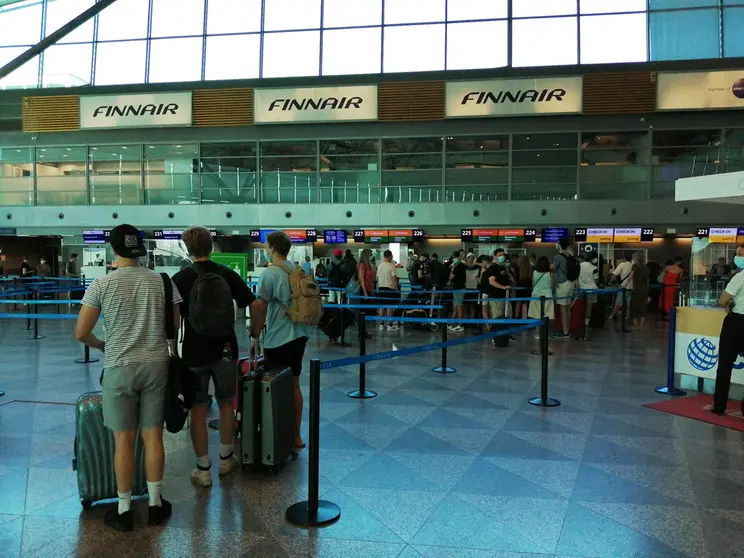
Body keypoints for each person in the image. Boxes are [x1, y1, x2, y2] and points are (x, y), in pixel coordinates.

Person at [74, 224, 180, 531]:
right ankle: (156, 504)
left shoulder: (101, 284)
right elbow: (172, 326)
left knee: (123, 440)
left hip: (119, 365)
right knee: (153, 437)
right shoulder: (163, 282)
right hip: (156, 364)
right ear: (141, 249)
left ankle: (123, 509)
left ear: (113, 249)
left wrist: (102, 344)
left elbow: (81, 332)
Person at [172, 227, 256, 488]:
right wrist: (254, 336)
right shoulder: (227, 274)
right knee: (226, 403)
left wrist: (172, 349)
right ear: (212, 247)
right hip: (226, 349)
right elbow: (255, 303)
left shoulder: (180, 279)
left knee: (197, 409)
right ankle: (226, 458)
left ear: (187, 248)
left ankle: (203, 469)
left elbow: (173, 320)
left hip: (194, 352)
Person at [250, 231, 310, 449]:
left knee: (273, 386)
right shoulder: (298, 269)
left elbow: (260, 306)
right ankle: (296, 436)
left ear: (273, 248)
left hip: (277, 338)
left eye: (267, 246)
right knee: (294, 384)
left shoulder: (270, 273)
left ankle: (275, 434)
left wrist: (254, 335)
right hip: (300, 334)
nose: (266, 249)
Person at [713, 245, 744, 415]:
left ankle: (719, 406)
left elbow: (723, 299)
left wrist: (728, 304)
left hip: (736, 323)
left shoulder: (740, 277)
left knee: (725, 366)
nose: (737, 257)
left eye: (740, 254)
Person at [480, 251, 511, 343]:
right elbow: (492, 281)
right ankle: (496, 338)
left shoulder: (502, 267)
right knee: (497, 317)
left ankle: (503, 336)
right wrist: (504, 287)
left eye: (503, 255)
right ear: (495, 256)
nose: (502, 257)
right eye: (499, 255)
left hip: (503, 296)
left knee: (504, 317)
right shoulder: (493, 268)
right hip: (496, 296)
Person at [552, 238, 578, 339]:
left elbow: (553, 268)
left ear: (559, 245)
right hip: (570, 283)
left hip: (562, 284)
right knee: (567, 307)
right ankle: (567, 329)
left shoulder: (558, 257)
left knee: (562, 307)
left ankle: (565, 332)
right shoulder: (569, 256)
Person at [528, 256, 555, 338]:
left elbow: (533, 284)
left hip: (536, 294)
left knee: (537, 315)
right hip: (547, 295)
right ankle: (545, 334)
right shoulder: (550, 273)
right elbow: (552, 284)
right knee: (546, 315)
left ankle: (537, 334)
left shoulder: (534, 272)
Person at [376, 250, 399, 331]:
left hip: (381, 287)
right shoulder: (391, 265)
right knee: (390, 307)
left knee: (382, 306)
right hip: (390, 288)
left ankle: (381, 325)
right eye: (391, 256)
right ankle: (390, 325)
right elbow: (394, 278)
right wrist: (396, 288)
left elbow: (378, 277)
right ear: (389, 256)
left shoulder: (380, 265)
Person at [609, 254, 634, 321]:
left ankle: (612, 315)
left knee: (618, 302)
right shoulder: (633, 265)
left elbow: (614, 275)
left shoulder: (622, 264)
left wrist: (610, 282)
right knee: (629, 303)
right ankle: (627, 317)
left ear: (623, 259)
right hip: (632, 287)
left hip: (624, 286)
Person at [578, 253, 599, 327]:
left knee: (582, 306)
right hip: (592, 289)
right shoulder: (594, 268)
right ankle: (586, 323)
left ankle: (580, 322)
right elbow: (596, 280)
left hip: (581, 290)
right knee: (589, 307)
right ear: (592, 258)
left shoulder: (579, 265)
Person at [629, 252, 649, 330]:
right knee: (643, 307)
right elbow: (647, 280)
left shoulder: (635, 266)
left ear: (635, 259)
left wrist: (623, 285)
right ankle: (641, 325)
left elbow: (630, 277)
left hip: (637, 289)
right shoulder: (645, 267)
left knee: (633, 307)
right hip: (644, 290)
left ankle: (636, 325)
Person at [449, 252, 467, 332]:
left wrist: (452, 269)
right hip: (459, 288)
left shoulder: (458, 267)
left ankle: (460, 325)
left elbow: (451, 277)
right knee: (456, 307)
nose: (454, 259)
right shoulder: (462, 266)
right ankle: (451, 323)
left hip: (459, 289)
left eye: (455, 257)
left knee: (459, 307)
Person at [515, 255, 532, 319]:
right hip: (528, 288)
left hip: (519, 288)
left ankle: (517, 318)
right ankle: (524, 318)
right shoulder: (530, 269)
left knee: (518, 303)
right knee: (525, 303)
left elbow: (515, 280)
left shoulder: (517, 269)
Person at [464, 253, 480, 319]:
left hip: (474, 289)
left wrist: (475, 263)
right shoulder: (463, 267)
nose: (470, 259)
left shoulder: (477, 267)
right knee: (465, 307)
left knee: (472, 306)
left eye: (472, 258)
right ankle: (465, 321)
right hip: (465, 288)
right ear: (467, 259)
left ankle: (472, 321)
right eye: (469, 258)